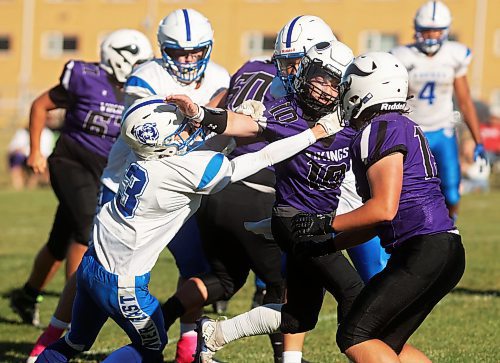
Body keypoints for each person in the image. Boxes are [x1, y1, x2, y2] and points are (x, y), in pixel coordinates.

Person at [34, 94, 339, 363]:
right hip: (122, 283)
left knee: (76, 341)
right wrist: (313, 134)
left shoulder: (142, 158)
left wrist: (230, 129)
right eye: (181, 129)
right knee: (150, 350)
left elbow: (196, 156)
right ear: (163, 143)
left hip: (91, 267)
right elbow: (262, 157)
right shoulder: (175, 171)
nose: (188, 131)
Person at [162, 17, 388, 363]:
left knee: (299, 313)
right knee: (354, 293)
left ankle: (217, 333)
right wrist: (200, 114)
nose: (323, 88)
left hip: (320, 218)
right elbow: (242, 123)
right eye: (316, 76)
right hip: (298, 222)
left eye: (332, 81)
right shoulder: (287, 111)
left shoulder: (347, 116)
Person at [288, 52, 466, 362]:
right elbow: (378, 221)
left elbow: (383, 209)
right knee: (384, 341)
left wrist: (325, 223)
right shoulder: (399, 124)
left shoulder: (379, 128)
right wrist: (328, 244)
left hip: (422, 248)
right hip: (442, 247)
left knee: (354, 335)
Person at [12, 29, 153, 363]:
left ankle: (28, 294)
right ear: (118, 58)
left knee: (60, 240)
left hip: (105, 172)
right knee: (87, 232)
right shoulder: (85, 78)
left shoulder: (140, 88)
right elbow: (40, 104)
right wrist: (35, 150)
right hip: (70, 162)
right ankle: (76, 310)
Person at [98, 8, 230, 362]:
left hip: (176, 193)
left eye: (196, 51)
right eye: (177, 52)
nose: (188, 59)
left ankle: (189, 349)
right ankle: (58, 339)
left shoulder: (220, 76)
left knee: (194, 267)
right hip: (130, 189)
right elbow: (159, 137)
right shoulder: (146, 77)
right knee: (100, 277)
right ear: (162, 49)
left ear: (208, 48)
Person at [391, 0, 486, 219]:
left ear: (446, 30)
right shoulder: (402, 56)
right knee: (404, 191)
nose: (432, 35)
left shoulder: (454, 55)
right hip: (412, 132)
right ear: (416, 30)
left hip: (443, 130)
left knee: (452, 193)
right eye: (426, 30)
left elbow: (465, 101)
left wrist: (478, 140)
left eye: (436, 30)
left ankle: (449, 229)